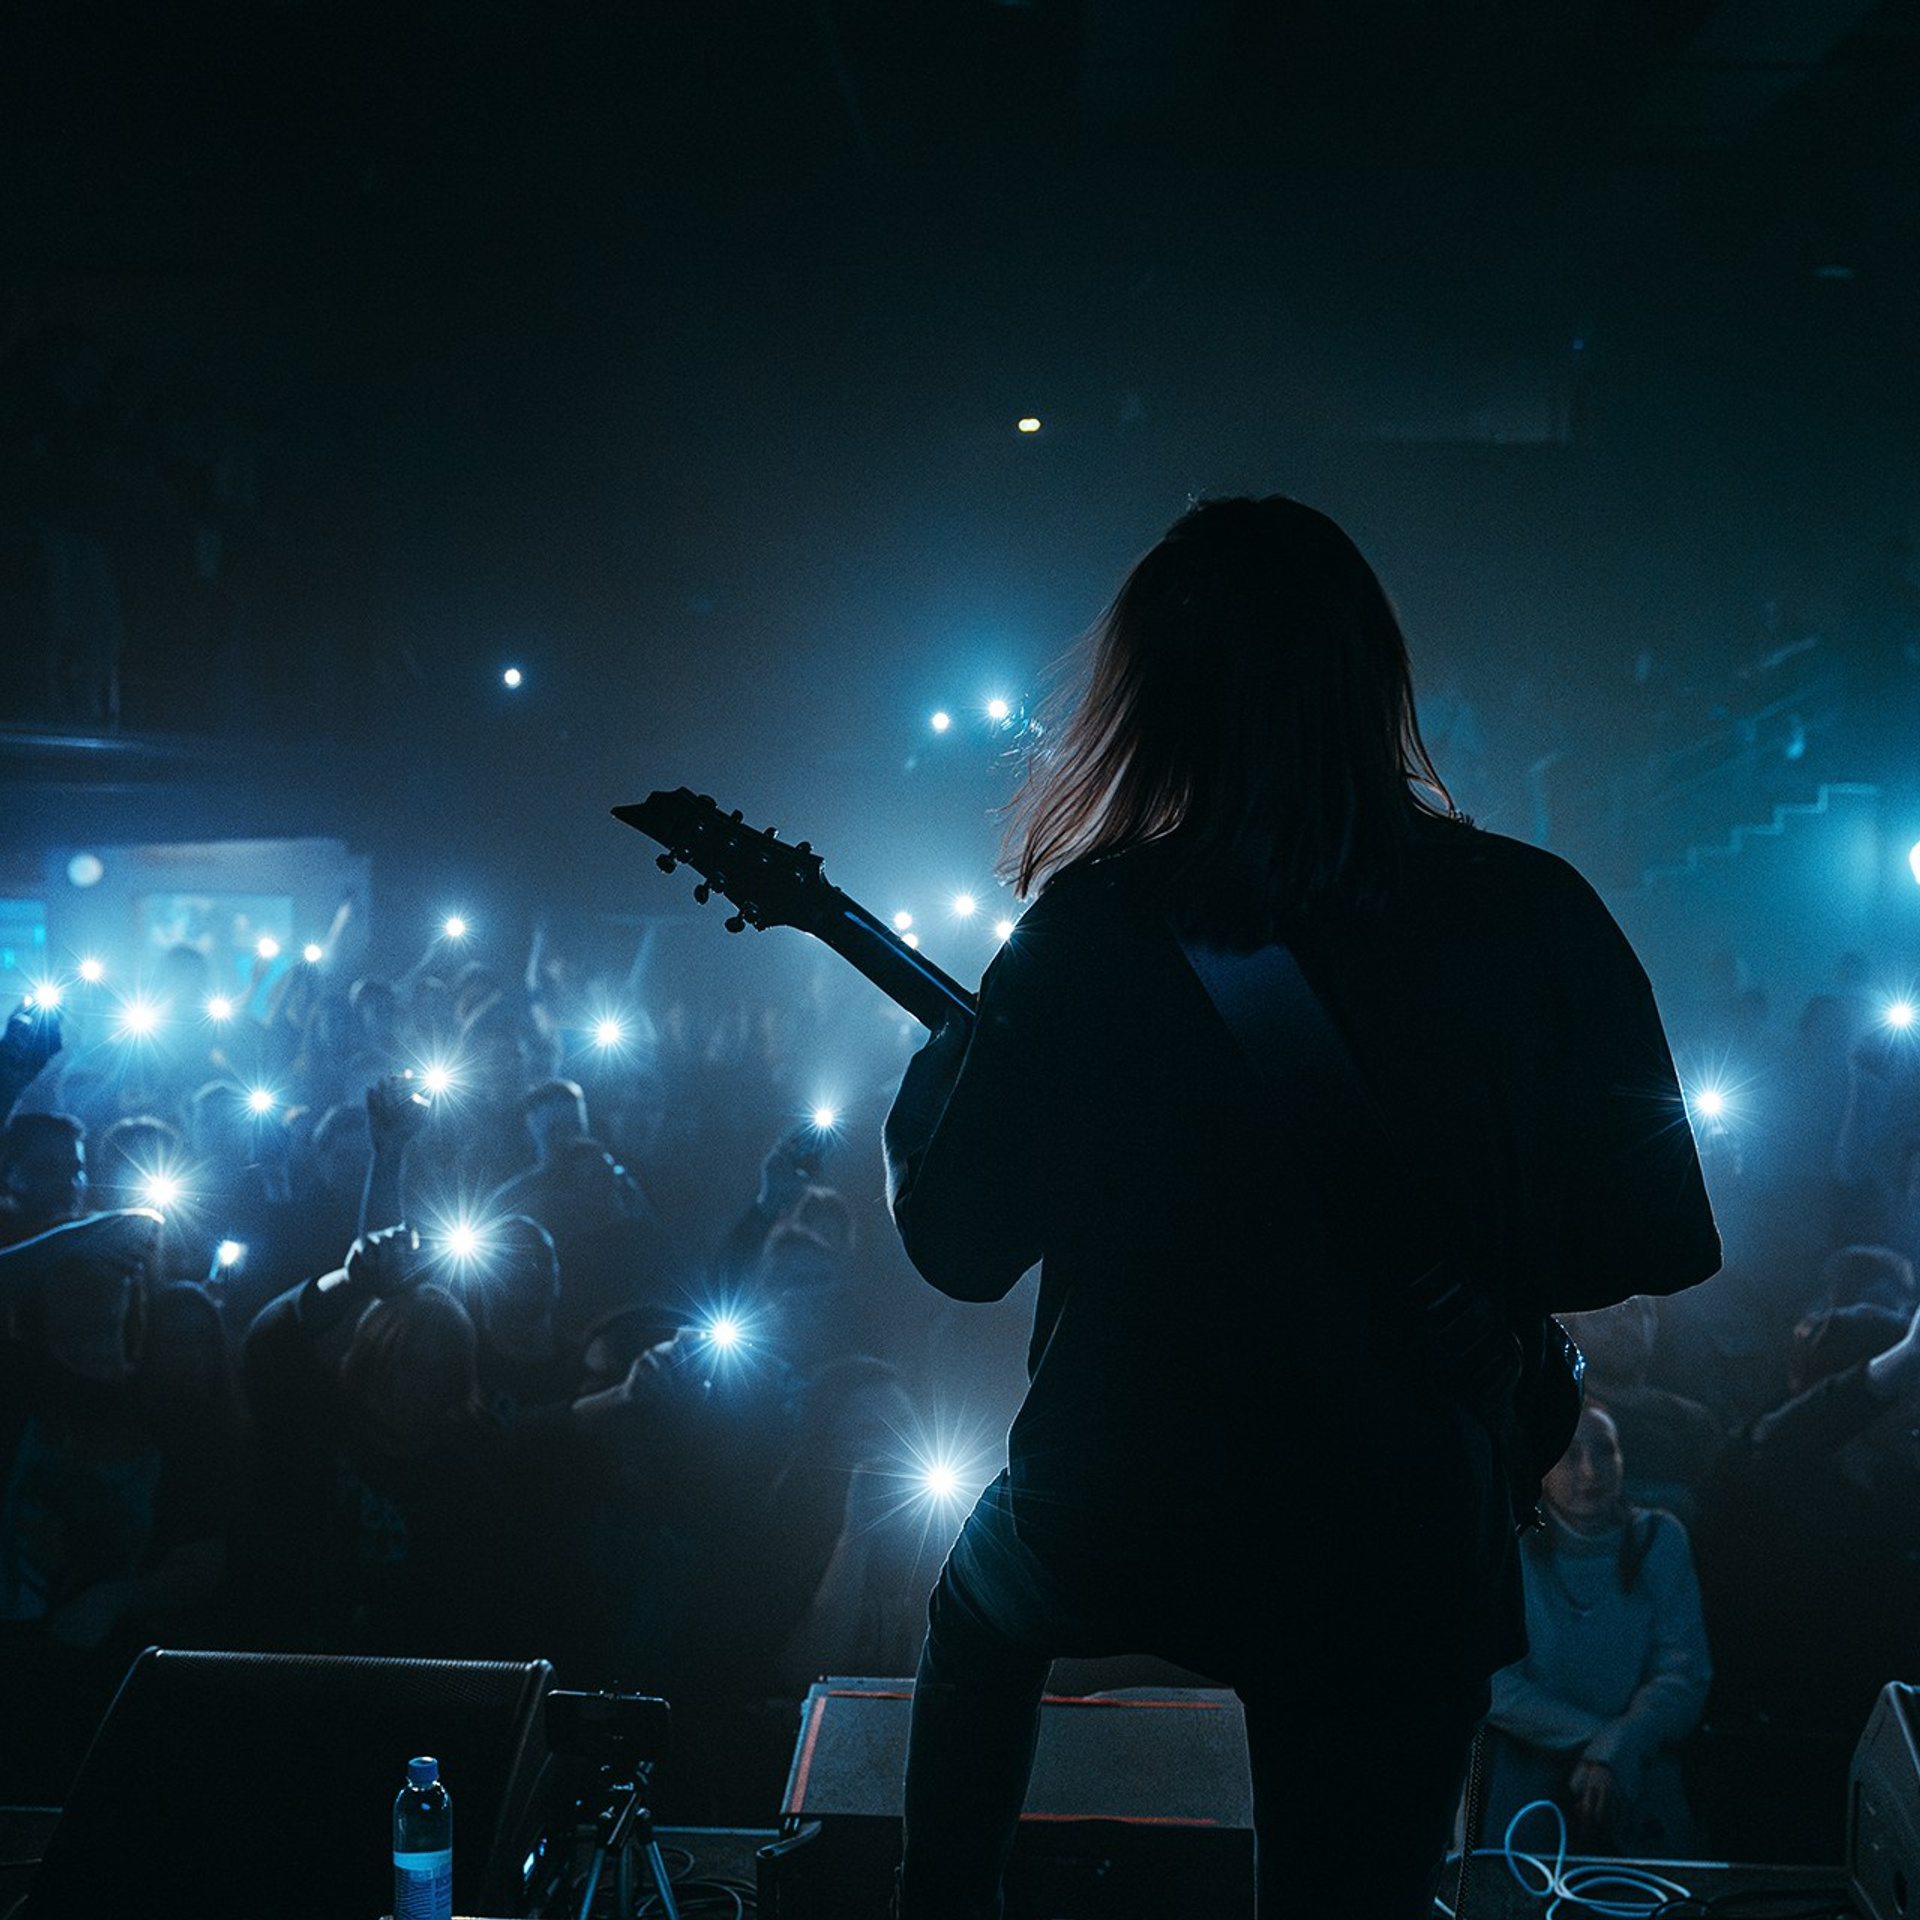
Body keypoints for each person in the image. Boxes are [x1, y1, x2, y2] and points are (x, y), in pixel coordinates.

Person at [880, 494, 1722, 1920]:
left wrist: (937, 1086)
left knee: (978, 1609)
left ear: (1148, 700)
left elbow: (961, 1250)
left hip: (1124, 1496)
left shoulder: (1088, 929)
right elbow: (1658, 1236)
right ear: (1371, 680)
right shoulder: (1535, 912)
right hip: (1394, 1522)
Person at [1471, 1401, 1712, 1858]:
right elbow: (1494, 1682)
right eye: (1568, 1454)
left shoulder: (1660, 1539)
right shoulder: (1510, 1545)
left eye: (1605, 1451)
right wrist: (1603, 1744)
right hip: (1529, 1782)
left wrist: (1623, 1744)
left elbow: (1683, 1672)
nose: (1590, 1471)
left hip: (1642, 1778)